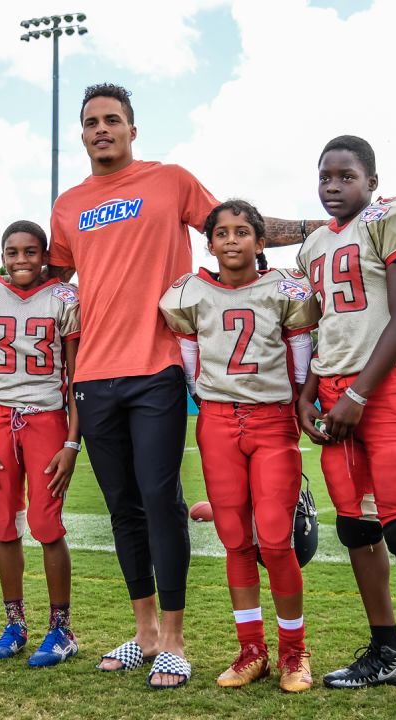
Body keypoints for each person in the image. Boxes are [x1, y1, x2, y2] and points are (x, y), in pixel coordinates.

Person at [0, 83, 321, 689]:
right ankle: (143, 631)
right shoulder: (69, 205)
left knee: (161, 499)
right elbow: (47, 276)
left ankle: (174, 638)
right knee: (123, 508)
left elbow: (238, 227)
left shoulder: (169, 180)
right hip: (93, 373)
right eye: (90, 122)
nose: (100, 129)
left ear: (133, 129)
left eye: (112, 120)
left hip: (158, 367)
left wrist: (324, 227)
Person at [295, 135, 396, 716]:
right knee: (356, 529)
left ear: (371, 181)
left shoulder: (391, 220)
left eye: (345, 176)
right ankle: (388, 649)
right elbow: (324, 326)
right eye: (325, 177)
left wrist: (359, 393)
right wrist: (309, 394)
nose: (334, 186)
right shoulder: (315, 243)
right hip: (334, 388)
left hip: (383, 390)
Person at [158, 199, 319, 692]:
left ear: (260, 240)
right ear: (209, 243)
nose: (231, 240)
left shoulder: (284, 289)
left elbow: (299, 359)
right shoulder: (190, 292)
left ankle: (295, 651)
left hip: (271, 421)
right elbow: (190, 364)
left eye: (242, 231)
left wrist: (289, 408)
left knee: (275, 539)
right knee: (236, 539)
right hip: (219, 421)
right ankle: (252, 649)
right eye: (222, 232)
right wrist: (211, 405)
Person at [0, 220, 82, 668]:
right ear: (2, 255)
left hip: (46, 418)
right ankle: (15, 624)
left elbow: (75, 377)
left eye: (31, 251)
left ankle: (61, 629)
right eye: (13, 252)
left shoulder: (64, 297)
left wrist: (72, 441)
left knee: (47, 525)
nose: (22, 260)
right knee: (3, 525)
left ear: (46, 255)